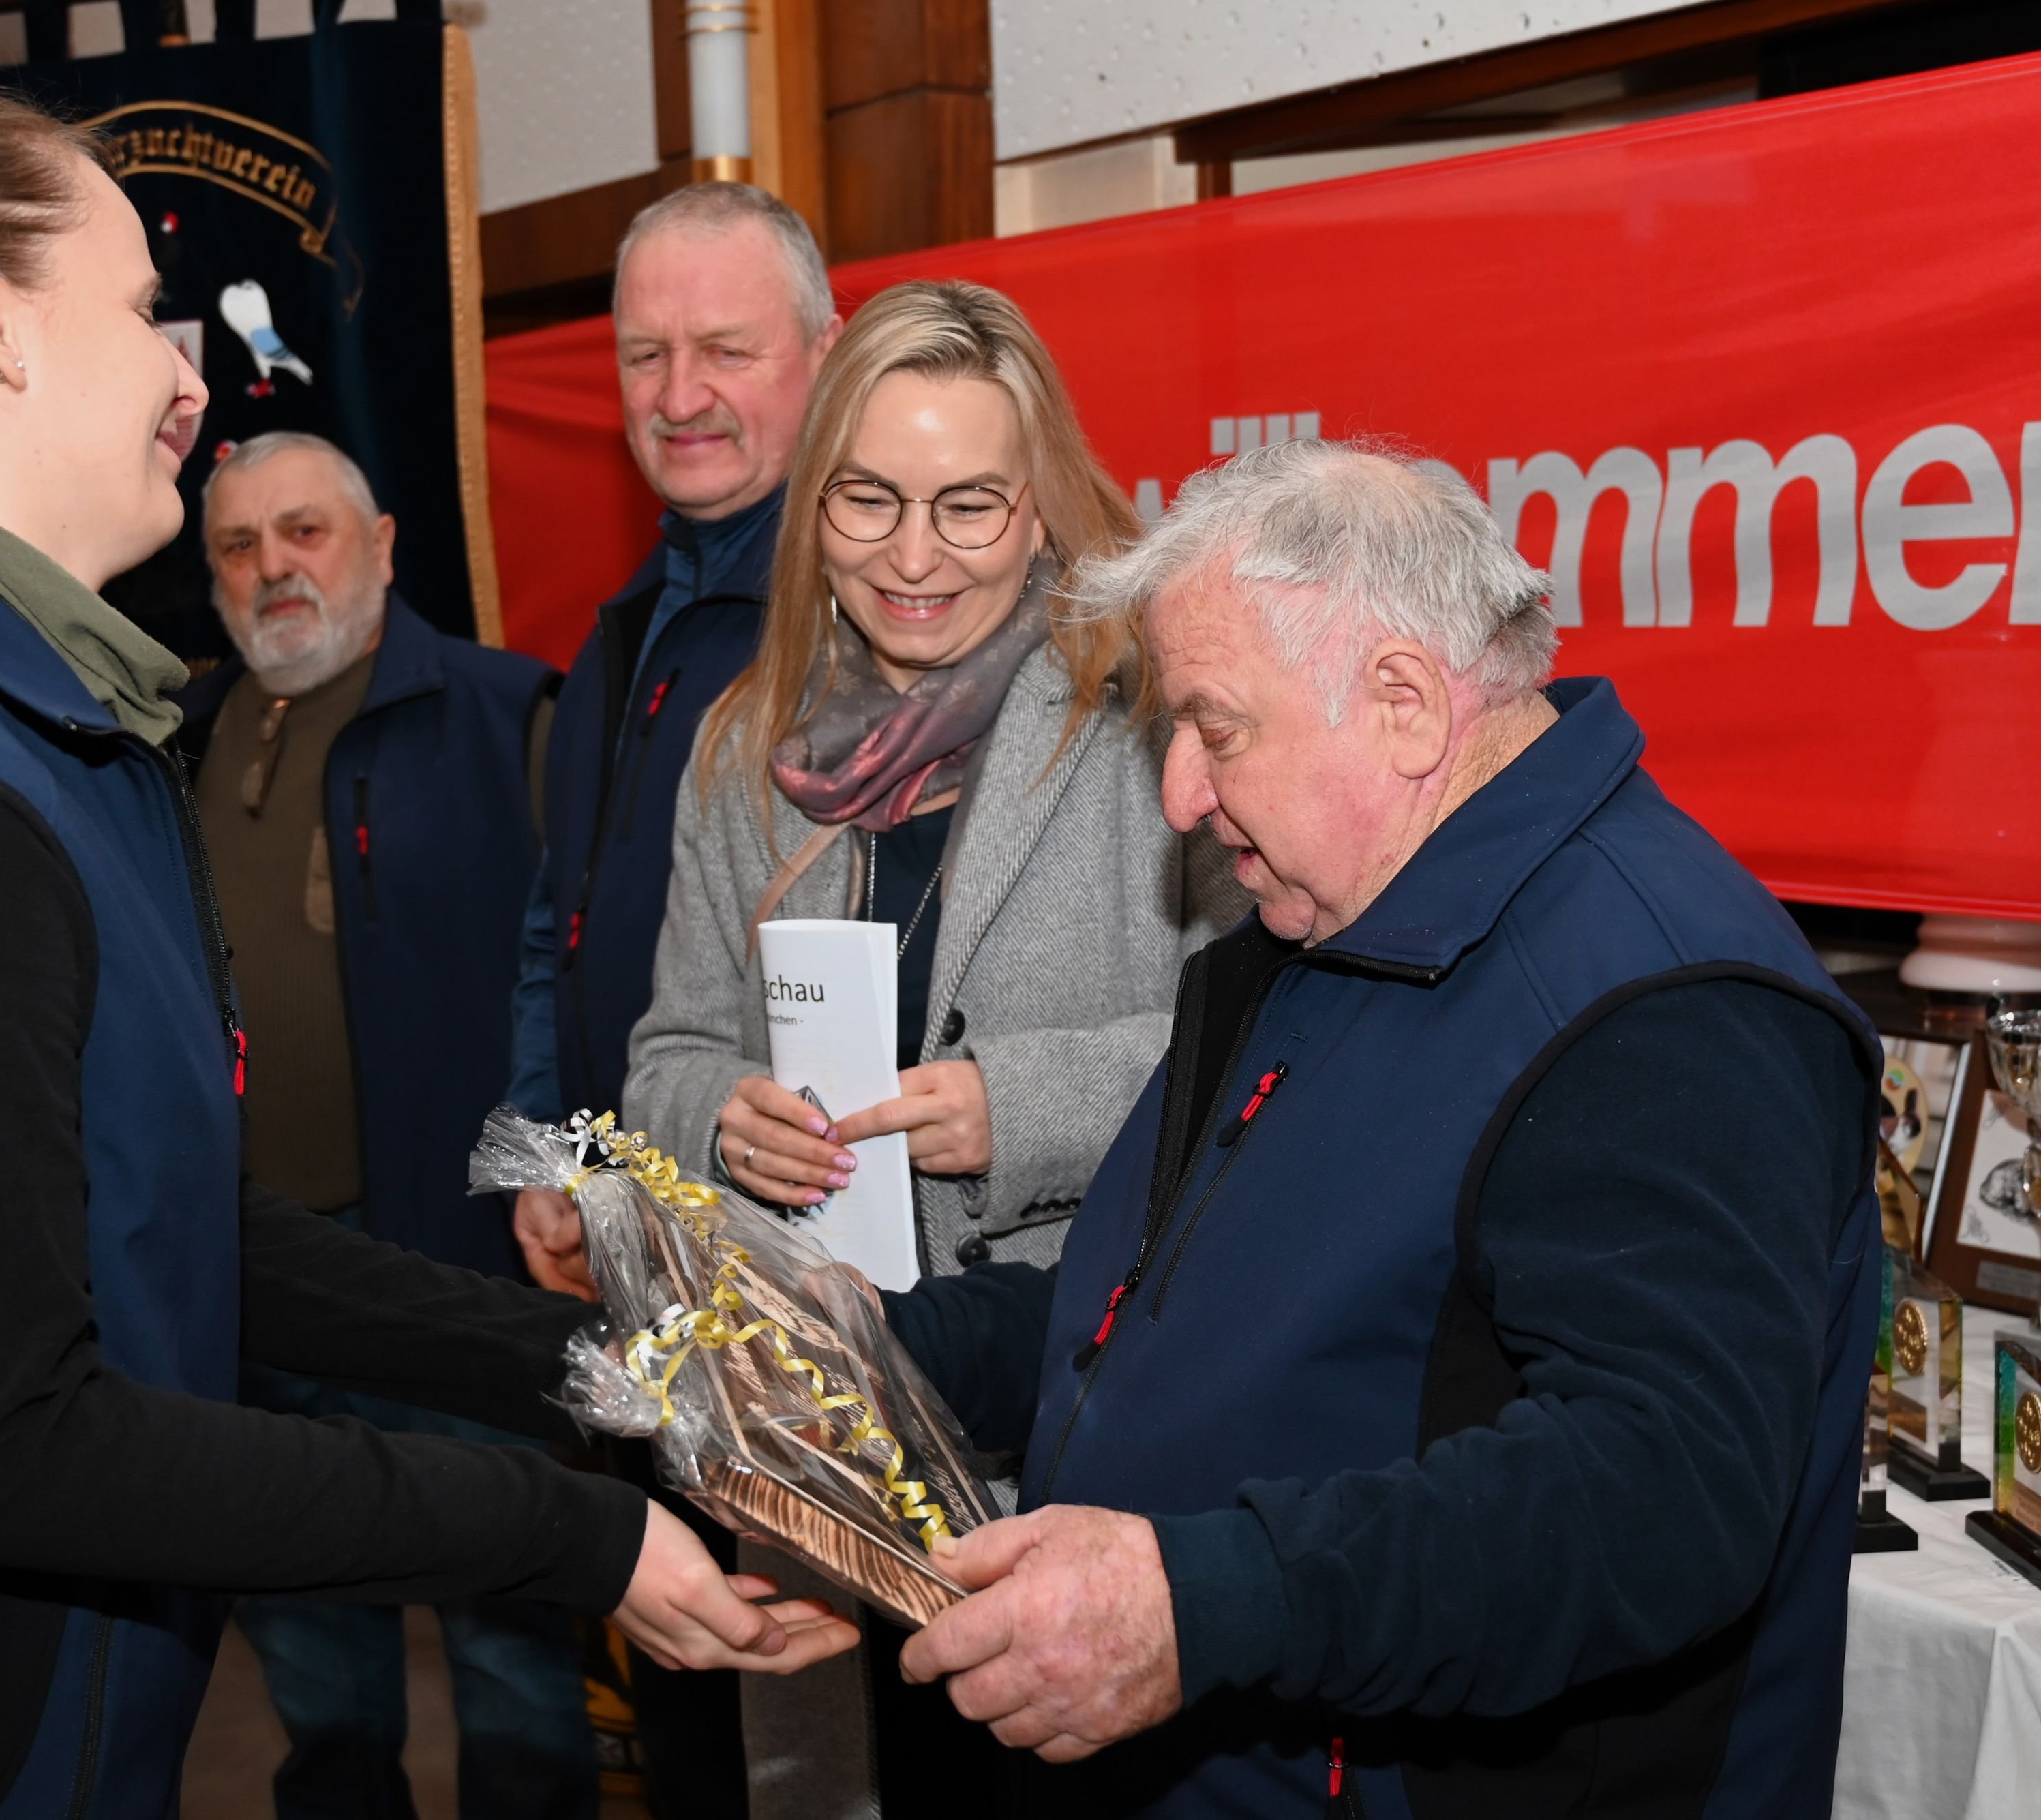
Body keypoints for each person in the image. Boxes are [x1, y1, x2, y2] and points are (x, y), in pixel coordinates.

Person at [0, 87, 852, 1819]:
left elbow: (169, 1222)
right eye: (136, 309)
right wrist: (574, 1533)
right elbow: (12, 1444)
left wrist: (626, 1365)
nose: (188, 381)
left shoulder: (0, 728)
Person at [881, 441, 1879, 1818]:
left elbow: (1660, 1495)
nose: (1179, 794)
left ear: (1405, 705)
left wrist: (1201, 1602)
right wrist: (888, 1344)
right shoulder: (1332, 913)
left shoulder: (1659, 1002)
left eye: (1216, 728)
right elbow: (1184, 1314)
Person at [612, 278, 1238, 1812]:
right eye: (869, 499)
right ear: (812, 504)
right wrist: (720, 1112)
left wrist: (1021, 1105)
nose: (911, 556)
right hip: (813, 1425)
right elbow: (665, 1049)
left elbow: (1264, 1053)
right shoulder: (744, 744)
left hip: (1065, 1401)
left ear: (1042, 509)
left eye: (967, 506)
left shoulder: (1147, 721)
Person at [175, 430, 590, 1817]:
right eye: (239, 545)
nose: (273, 568)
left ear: (384, 544)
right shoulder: (173, 735)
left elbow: (581, 983)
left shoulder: (509, 717)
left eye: (305, 531)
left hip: (449, 1277)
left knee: (512, 1653)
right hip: (248, 1284)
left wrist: (561, 1181)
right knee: (312, 1664)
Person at [500, 179, 843, 1819]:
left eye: (724, 349)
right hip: (631, 1261)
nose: (679, 393)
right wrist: (552, 1158)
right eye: (645, 355)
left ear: (822, 355)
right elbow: (556, 927)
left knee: (816, 1731)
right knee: (691, 1687)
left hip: (794, 1279)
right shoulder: (624, 628)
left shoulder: (858, 620)